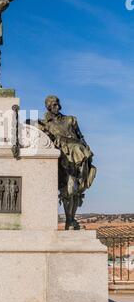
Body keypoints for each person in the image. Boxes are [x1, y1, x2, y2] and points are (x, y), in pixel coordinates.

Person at [38, 95, 96, 230]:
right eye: (53, 105)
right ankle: (69, 221)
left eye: (57, 104)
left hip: (79, 157)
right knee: (69, 190)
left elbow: (81, 138)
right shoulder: (45, 124)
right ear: (48, 107)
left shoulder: (70, 120)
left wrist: (88, 153)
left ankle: (71, 220)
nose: (57, 107)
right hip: (63, 160)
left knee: (76, 191)